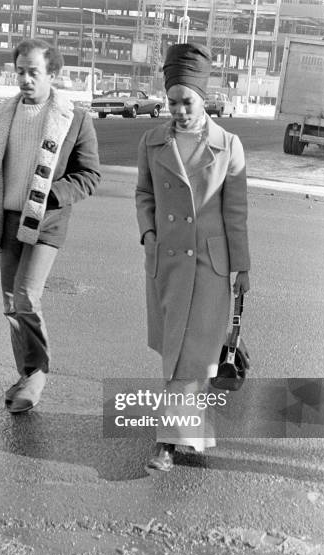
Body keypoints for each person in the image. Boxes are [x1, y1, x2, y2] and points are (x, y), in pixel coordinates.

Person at [135, 43, 250, 471]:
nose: (180, 110)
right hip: (166, 259)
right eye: (173, 102)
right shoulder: (152, 141)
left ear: (204, 99)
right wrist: (148, 232)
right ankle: (187, 435)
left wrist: (243, 268)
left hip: (210, 265)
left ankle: (168, 443)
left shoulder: (229, 146)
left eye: (188, 102)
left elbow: (236, 212)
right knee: (178, 352)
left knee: (194, 354)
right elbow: (144, 194)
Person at [0, 39, 100, 413]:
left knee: (27, 294)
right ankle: (26, 374)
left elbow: (89, 175)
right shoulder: (0, 115)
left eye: (34, 72)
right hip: (7, 219)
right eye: (20, 72)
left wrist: (50, 195)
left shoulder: (74, 118)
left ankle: (37, 374)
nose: (25, 79)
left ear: (52, 74)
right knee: (11, 303)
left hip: (46, 223)